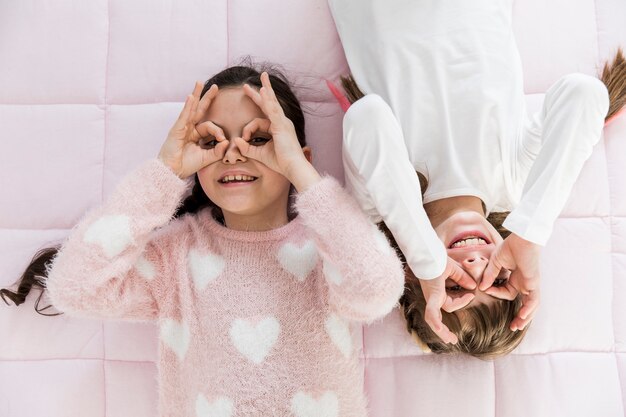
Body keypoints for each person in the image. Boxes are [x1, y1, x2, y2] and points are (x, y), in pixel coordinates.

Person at [1, 65, 404, 416]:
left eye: (259, 139)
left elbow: (378, 286)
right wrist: (164, 174)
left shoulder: (328, 246)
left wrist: (304, 178)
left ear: (300, 156)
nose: (232, 154)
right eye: (211, 142)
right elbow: (75, 287)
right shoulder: (178, 256)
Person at [327, 0, 624, 358]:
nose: (476, 265)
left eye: (454, 285)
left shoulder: (387, 206)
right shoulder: (513, 186)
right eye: (497, 278)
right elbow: (584, 94)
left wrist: (426, 259)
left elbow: (366, 118)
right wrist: (530, 232)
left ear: (417, 282)